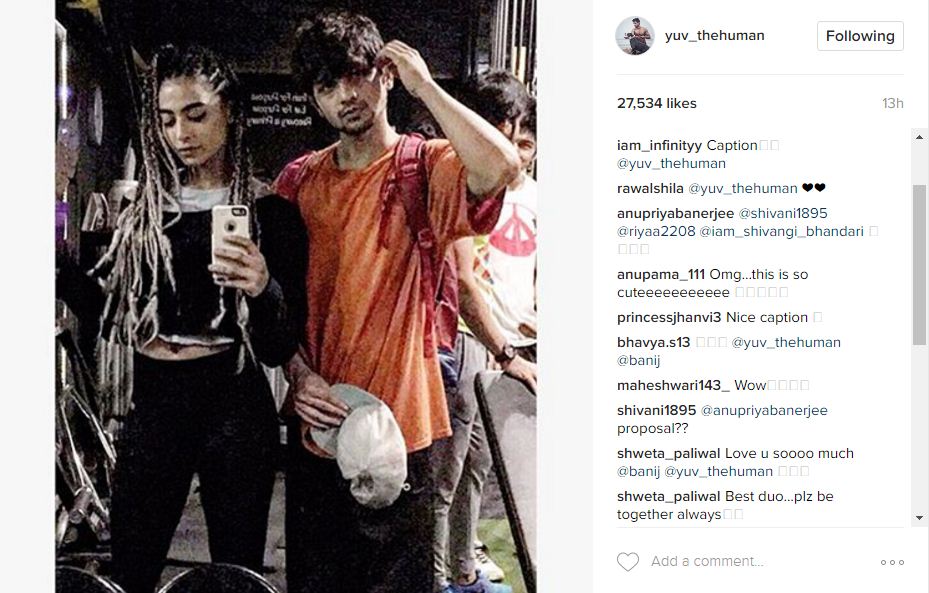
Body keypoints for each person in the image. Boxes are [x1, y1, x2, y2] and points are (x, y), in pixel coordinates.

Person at [275, 10, 520, 593]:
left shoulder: (424, 165)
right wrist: (298, 374)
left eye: (356, 75)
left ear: (384, 74)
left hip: (406, 429)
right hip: (321, 430)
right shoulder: (298, 182)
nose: (345, 95)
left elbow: (503, 165)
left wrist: (425, 86)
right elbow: (276, 302)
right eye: (326, 85)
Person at [60, 44, 307, 593]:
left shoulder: (269, 214)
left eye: (196, 115)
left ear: (230, 112)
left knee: (233, 578)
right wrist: (55, 257)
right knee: (131, 571)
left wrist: (262, 285)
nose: (181, 134)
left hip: (232, 404)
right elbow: (108, 316)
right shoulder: (144, 215)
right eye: (167, 119)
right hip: (155, 403)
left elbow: (277, 346)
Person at [433, 73, 538, 593]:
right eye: (500, 133)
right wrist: (505, 347)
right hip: (466, 342)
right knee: (445, 473)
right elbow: (465, 282)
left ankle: (463, 568)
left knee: (477, 463)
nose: (511, 151)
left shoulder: (523, 195)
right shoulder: (459, 181)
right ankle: (436, 578)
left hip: (500, 345)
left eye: (521, 139)